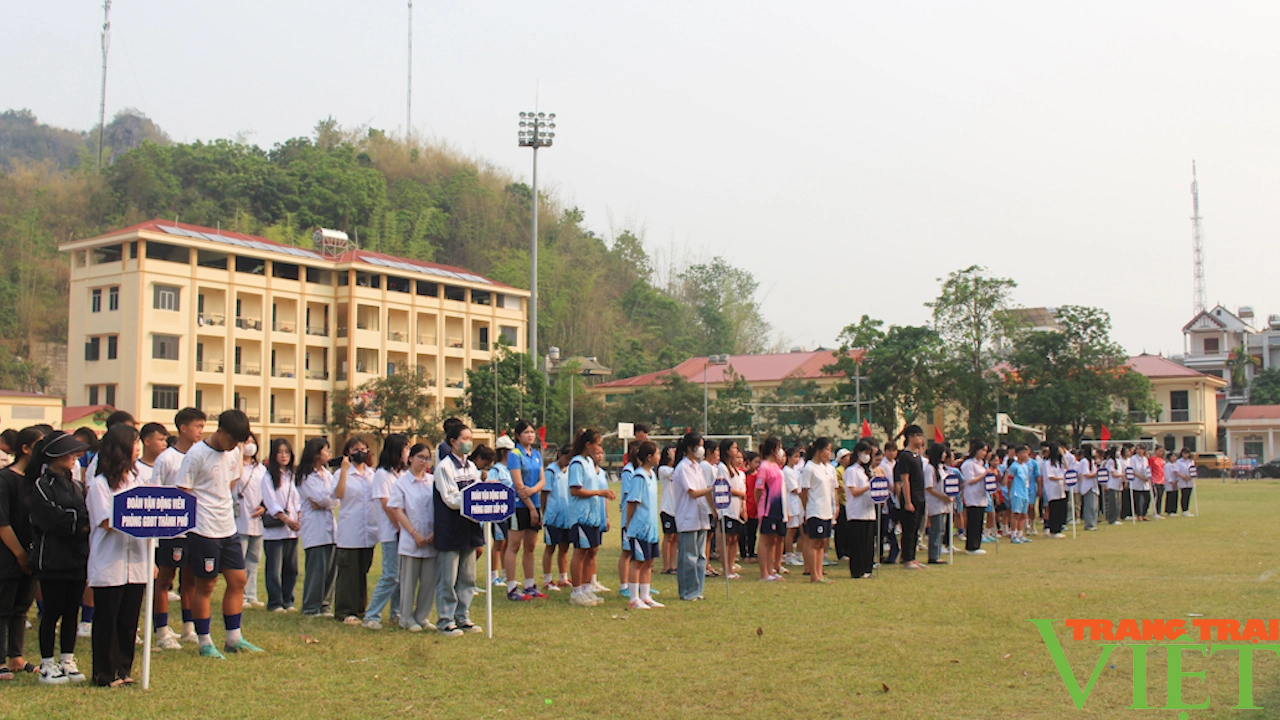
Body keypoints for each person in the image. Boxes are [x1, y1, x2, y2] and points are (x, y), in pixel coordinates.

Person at [177, 409, 261, 658]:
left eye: (239, 442)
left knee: (238, 580)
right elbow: (183, 490)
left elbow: (231, 482)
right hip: (203, 529)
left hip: (228, 527)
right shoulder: (196, 455)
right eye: (232, 439)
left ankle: (234, 638)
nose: (235, 445)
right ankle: (204, 642)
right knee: (206, 584)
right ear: (220, 431)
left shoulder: (234, 451)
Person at [27, 431, 90, 684]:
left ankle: (67, 658)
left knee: (71, 611)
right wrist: (79, 522)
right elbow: (53, 519)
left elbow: (88, 514)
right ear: (55, 456)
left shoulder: (77, 485)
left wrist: (79, 521)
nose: (75, 458)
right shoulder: (41, 486)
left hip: (78, 558)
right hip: (52, 558)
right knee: (52, 612)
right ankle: (46, 663)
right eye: (70, 454)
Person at [85, 425, 146, 686]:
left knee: (129, 620)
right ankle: (104, 673)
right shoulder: (100, 485)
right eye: (134, 443)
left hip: (137, 561)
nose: (138, 447)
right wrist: (136, 517)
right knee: (107, 618)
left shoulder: (138, 480)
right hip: (111, 561)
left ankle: (124, 669)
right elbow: (107, 521)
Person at [151, 407, 205, 650]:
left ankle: (188, 626)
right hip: (171, 530)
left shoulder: (202, 455)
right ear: (183, 428)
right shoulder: (167, 459)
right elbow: (156, 491)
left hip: (196, 528)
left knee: (191, 580)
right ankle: (161, 629)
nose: (201, 432)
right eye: (197, 426)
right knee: (165, 579)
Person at [0, 426, 44, 681]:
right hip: (8, 554)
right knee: (3, 607)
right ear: (25, 448)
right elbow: (2, 523)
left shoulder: (36, 481)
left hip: (32, 554)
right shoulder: (5, 479)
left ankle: (16, 656)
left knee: (21, 607)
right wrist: (19, 554)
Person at [433, 421, 484, 636]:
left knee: (468, 576)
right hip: (451, 527)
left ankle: (463, 616)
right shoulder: (444, 467)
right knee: (448, 577)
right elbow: (451, 499)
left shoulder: (471, 467)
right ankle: (445, 620)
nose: (468, 443)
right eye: (464, 439)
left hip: (469, 527)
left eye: (470, 439)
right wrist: (473, 500)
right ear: (453, 441)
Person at [388, 443, 437, 632]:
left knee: (428, 581)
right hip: (411, 538)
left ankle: (422, 616)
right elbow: (398, 511)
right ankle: (406, 617)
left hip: (431, 537)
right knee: (408, 581)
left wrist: (434, 533)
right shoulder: (401, 483)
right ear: (410, 458)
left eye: (427, 458)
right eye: (420, 457)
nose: (424, 461)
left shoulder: (432, 481)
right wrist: (414, 534)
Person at [364, 434, 407, 630]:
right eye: (405, 449)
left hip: (404, 531)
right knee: (391, 575)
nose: (407, 453)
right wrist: (401, 527)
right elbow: (387, 505)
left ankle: (396, 613)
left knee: (402, 575)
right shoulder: (382, 475)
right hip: (392, 533)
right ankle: (372, 614)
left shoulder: (403, 474)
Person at [567, 429, 614, 607]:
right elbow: (575, 489)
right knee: (580, 551)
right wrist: (599, 492)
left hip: (593, 516)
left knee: (590, 551)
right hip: (581, 516)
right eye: (598, 443)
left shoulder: (588, 463)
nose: (599, 447)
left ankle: (586, 588)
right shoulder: (577, 463)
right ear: (588, 445)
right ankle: (576, 591)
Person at [505, 420, 547, 601]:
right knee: (514, 545)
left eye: (532, 432)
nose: (530, 435)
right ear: (517, 436)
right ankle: (512, 587)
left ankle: (529, 585)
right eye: (526, 432)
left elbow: (542, 480)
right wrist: (530, 506)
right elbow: (518, 485)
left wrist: (533, 491)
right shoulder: (514, 454)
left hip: (535, 503)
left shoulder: (537, 454)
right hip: (519, 506)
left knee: (530, 546)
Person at [298, 438, 338, 618]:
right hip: (314, 527)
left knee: (331, 568)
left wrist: (326, 502)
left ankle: (325, 604)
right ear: (316, 454)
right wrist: (326, 502)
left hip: (329, 527)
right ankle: (311, 606)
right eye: (325, 450)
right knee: (316, 568)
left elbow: (335, 498)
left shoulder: (328, 475)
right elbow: (320, 498)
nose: (328, 454)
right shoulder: (306, 476)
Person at [259, 439, 300, 613]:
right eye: (280, 452)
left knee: (291, 567)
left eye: (287, 452)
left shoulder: (293, 476)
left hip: (292, 530)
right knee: (274, 568)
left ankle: (288, 599)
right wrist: (286, 519)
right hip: (276, 529)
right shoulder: (268, 477)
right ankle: (275, 601)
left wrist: (298, 517)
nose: (284, 456)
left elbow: (298, 500)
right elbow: (271, 503)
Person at [673, 432, 713, 600]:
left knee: (700, 556)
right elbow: (694, 492)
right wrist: (713, 488)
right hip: (688, 517)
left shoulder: (697, 466)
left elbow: (704, 491)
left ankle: (697, 590)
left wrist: (714, 510)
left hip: (701, 516)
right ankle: (687, 591)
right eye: (700, 445)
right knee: (688, 557)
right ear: (691, 448)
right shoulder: (683, 468)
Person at [625, 441, 663, 610]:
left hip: (651, 527)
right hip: (640, 528)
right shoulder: (639, 476)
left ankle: (645, 596)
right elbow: (632, 502)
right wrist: (628, 523)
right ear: (649, 457)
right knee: (638, 561)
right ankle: (633, 598)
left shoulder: (652, 475)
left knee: (648, 561)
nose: (659, 457)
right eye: (657, 454)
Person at [799, 438, 838, 582]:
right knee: (814, 541)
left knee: (822, 542)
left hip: (826, 510)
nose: (829, 453)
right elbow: (804, 492)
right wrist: (805, 510)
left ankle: (819, 572)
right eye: (827, 449)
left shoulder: (827, 468)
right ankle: (813, 574)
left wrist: (835, 508)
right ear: (819, 450)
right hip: (815, 509)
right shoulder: (809, 468)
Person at [235, 434, 266, 610]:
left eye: (253, 442)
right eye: (246, 442)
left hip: (257, 519)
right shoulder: (236, 465)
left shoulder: (260, 468)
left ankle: (251, 593)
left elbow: (266, 491)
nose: (250, 446)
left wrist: (264, 506)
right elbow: (236, 477)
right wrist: (239, 453)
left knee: (254, 559)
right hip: (241, 518)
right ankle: (239, 594)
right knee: (240, 559)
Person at [843, 440, 880, 577]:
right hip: (856, 512)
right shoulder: (851, 471)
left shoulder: (868, 471)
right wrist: (869, 486)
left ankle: (867, 568)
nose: (867, 456)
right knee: (857, 543)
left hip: (869, 511)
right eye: (865, 453)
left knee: (868, 543)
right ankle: (857, 570)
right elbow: (854, 491)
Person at [540, 445, 573, 592]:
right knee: (550, 547)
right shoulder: (551, 471)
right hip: (553, 517)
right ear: (560, 454)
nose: (567, 461)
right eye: (566, 458)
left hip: (567, 517)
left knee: (564, 547)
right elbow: (544, 494)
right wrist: (545, 513)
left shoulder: (571, 471)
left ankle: (563, 578)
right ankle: (547, 580)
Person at [754, 437, 787, 582]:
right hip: (767, 509)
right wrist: (759, 506)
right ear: (774, 449)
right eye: (779, 447)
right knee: (765, 539)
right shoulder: (764, 466)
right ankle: (764, 573)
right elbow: (758, 489)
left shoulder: (776, 467)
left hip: (778, 509)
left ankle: (771, 570)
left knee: (773, 540)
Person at [895, 426, 927, 568]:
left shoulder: (917, 456)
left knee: (916, 529)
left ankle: (912, 557)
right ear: (911, 437)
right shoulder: (905, 456)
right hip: (911, 497)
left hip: (920, 496)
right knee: (908, 529)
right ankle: (907, 558)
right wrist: (907, 501)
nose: (921, 439)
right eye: (918, 436)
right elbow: (905, 480)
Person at [718, 440, 745, 580]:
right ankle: (726, 569)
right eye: (734, 448)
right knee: (727, 539)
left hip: (736, 509)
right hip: (726, 509)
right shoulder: (722, 467)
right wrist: (742, 495)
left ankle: (731, 565)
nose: (736, 451)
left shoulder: (736, 471)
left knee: (735, 538)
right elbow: (726, 487)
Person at [922, 442, 952, 564]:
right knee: (936, 529)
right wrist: (942, 497)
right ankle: (933, 555)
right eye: (943, 452)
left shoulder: (941, 468)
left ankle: (938, 552)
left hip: (944, 503)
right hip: (936, 502)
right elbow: (929, 487)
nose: (945, 455)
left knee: (941, 529)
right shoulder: (930, 468)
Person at [959, 440, 989, 555]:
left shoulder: (982, 463)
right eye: (983, 450)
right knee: (973, 521)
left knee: (979, 521)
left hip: (981, 495)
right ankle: (971, 546)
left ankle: (977, 544)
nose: (984, 453)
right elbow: (970, 480)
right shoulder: (968, 464)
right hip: (972, 495)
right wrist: (984, 475)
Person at [657, 445, 680, 574]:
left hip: (677, 508)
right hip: (667, 508)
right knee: (668, 536)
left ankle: (673, 564)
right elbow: (675, 473)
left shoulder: (677, 469)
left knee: (676, 537)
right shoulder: (663, 469)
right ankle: (666, 565)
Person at [781, 446, 804, 568]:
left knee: (802, 530)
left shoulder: (796, 470)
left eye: (798, 457)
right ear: (788, 458)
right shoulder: (786, 471)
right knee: (791, 530)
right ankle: (789, 555)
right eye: (795, 457)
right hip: (791, 502)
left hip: (799, 503)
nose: (797, 459)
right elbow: (794, 488)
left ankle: (799, 555)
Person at [878, 443, 900, 564]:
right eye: (889, 451)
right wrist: (895, 490)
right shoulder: (883, 465)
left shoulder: (896, 463)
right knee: (886, 528)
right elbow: (887, 482)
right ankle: (886, 553)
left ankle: (893, 552)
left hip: (895, 499)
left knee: (891, 527)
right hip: (888, 499)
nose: (892, 453)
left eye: (894, 451)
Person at [1042, 443, 1068, 537]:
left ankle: (1059, 528)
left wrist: (1063, 454)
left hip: (1060, 489)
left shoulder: (1058, 463)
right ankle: (1054, 530)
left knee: (1061, 509)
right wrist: (1061, 478)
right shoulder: (1047, 463)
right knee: (1054, 509)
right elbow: (1050, 476)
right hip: (1052, 490)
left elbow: (1066, 466)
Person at [738, 450, 759, 563]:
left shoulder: (759, 476)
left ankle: (751, 552)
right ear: (749, 462)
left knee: (753, 533)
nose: (757, 465)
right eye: (755, 462)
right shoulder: (743, 475)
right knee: (743, 533)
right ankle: (743, 553)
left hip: (755, 508)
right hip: (746, 506)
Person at [1075, 446, 1100, 531]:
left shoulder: (1092, 461)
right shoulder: (1084, 461)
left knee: (1094, 506)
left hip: (1094, 486)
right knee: (1090, 506)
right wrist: (1096, 474)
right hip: (1088, 486)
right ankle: (1089, 524)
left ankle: (1093, 522)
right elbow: (1086, 474)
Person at [1102, 447, 1124, 526]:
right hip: (1112, 484)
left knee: (1118, 503)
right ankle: (1112, 519)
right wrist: (1122, 475)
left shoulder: (1118, 461)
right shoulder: (1111, 461)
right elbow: (1113, 474)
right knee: (1113, 503)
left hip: (1118, 485)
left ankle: (1116, 517)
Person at [1130, 444, 1152, 521]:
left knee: (1147, 498)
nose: (1139, 451)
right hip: (1137, 481)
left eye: (1141, 449)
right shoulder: (1133, 459)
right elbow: (1133, 471)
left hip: (1145, 482)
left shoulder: (1145, 459)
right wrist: (1141, 477)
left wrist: (1147, 477)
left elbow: (1147, 469)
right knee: (1138, 499)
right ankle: (1139, 515)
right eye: (1138, 449)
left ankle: (1144, 514)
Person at [1149, 446, 1167, 520]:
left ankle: (1159, 511)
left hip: (1162, 480)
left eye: (1162, 451)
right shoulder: (1152, 459)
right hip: (1155, 480)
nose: (1161, 453)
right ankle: (1155, 512)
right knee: (1156, 496)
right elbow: (1149, 469)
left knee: (1160, 496)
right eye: (1159, 451)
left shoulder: (1162, 460)